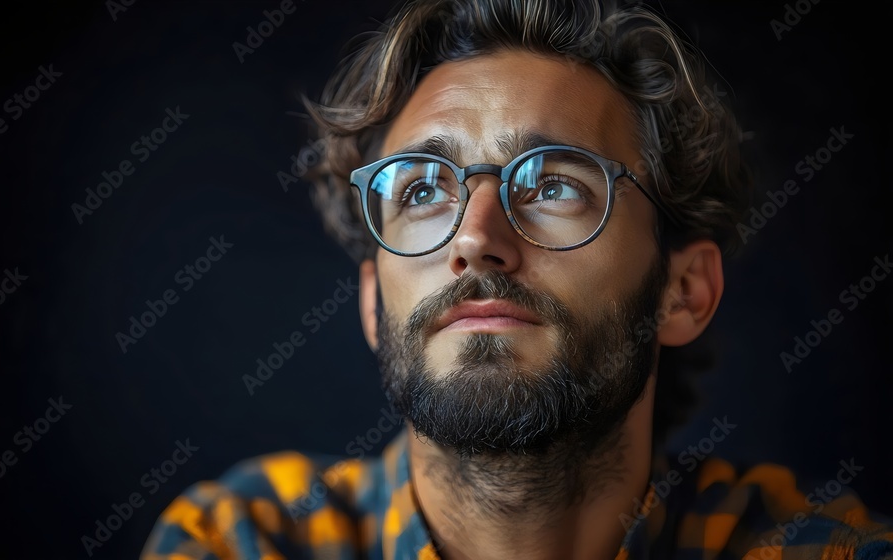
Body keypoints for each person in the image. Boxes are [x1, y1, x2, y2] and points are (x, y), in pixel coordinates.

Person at [141, 0, 893, 558]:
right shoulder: (244, 539)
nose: (474, 238)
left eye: (556, 185)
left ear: (683, 291)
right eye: (420, 191)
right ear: (373, 302)